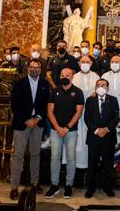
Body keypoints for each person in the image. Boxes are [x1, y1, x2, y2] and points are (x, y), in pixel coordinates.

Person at [9, 60, 50, 200]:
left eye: (37, 67)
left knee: (35, 154)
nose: (34, 69)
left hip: (37, 124)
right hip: (22, 123)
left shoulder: (45, 84)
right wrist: (27, 119)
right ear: (28, 68)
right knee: (18, 155)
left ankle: (35, 183)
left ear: (40, 70)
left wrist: (37, 118)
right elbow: (14, 104)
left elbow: (46, 106)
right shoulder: (19, 83)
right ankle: (14, 187)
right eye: (32, 67)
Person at [46, 68, 84, 199]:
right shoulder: (54, 91)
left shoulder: (78, 92)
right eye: (62, 75)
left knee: (71, 158)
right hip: (55, 130)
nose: (64, 77)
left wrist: (67, 128)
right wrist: (57, 127)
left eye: (67, 75)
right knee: (55, 158)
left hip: (71, 131)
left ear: (72, 77)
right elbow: (50, 111)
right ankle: (54, 185)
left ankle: (69, 185)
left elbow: (78, 112)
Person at [84, 79, 120, 198]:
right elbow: (87, 118)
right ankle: (90, 188)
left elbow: (116, 118)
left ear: (108, 88)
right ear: (95, 87)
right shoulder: (90, 100)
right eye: (98, 85)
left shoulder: (113, 100)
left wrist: (106, 129)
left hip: (108, 137)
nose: (100, 87)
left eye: (103, 85)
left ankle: (108, 188)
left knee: (108, 165)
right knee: (92, 165)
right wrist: (96, 130)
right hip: (93, 137)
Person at [72, 56, 100, 169]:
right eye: (82, 62)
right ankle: (78, 165)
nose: (84, 64)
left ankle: (91, 164)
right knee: (79, 138)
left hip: (91, 113)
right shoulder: (74, 77)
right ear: (79, 64)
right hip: (77, 112)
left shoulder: (96, 77)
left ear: (91, 63)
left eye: (87, 62)